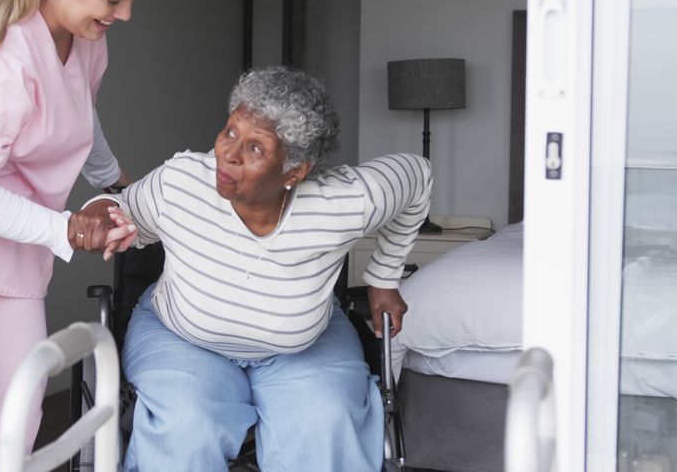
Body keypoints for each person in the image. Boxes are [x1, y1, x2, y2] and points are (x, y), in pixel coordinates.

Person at [79, 66, 432, 471]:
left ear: (295, 172)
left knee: (323, 424)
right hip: (182, 339)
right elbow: (122, 210)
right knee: (186, 428)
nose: (227, 154)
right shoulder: (181, 182)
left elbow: (418, 177)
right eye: (230, 132)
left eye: (255, 148)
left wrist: (384, 278)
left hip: (305, 350)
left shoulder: (348, 201)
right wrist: (98, 215)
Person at [0, 0, 151, 470]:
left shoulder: (86, 40)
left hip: (17, 252)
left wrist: (116, 183)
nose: (126, 13)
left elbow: (80, 114)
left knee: (16, 424)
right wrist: (66, 226)